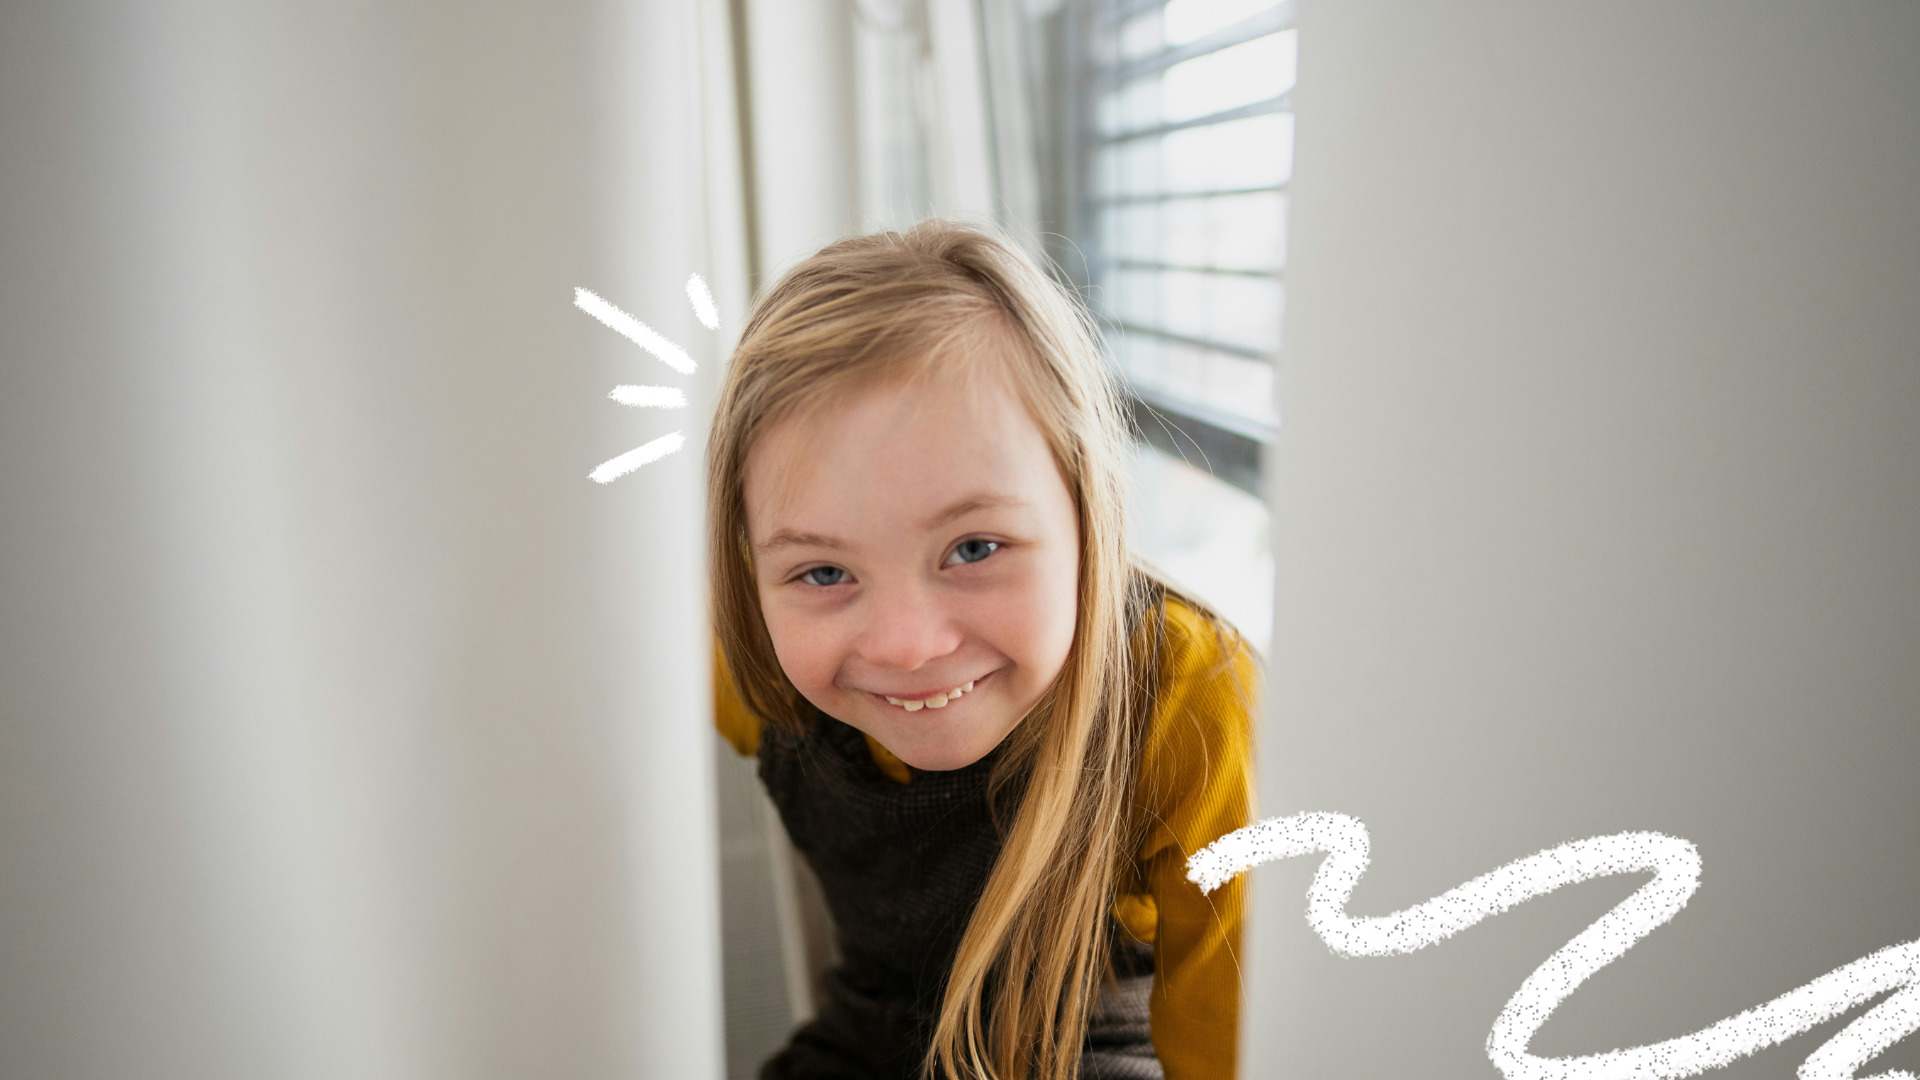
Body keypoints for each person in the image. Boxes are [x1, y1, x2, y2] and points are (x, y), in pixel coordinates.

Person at [707, 219, 1256, 1080]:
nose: (906, 645)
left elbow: (1243, 1055)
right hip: (869, 1046)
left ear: (1086, 510)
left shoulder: (1186, 697)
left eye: (973, 549)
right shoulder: (749, 661)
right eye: (822, 571)